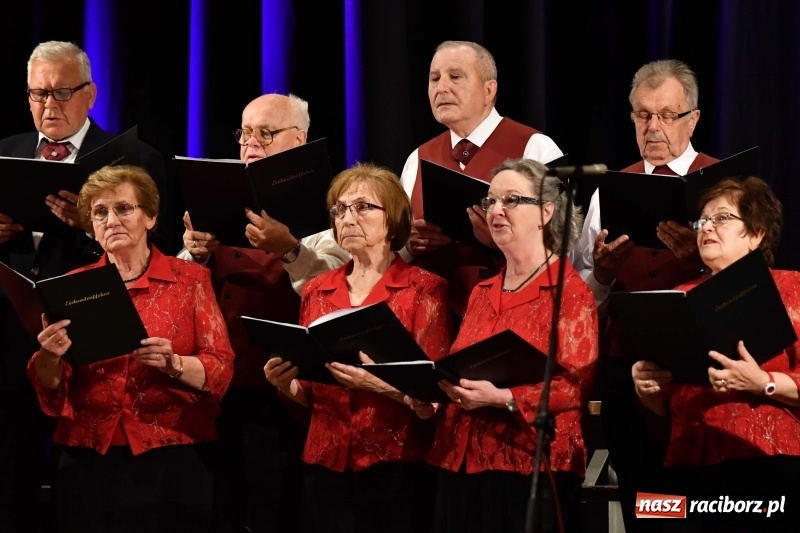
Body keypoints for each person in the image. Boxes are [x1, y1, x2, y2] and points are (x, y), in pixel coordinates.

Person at [0, 40, 169, 531]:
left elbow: (156, 250)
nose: (48, 105)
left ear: (91, 95)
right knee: (12, 488)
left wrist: (88, 225)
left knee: (90, 494)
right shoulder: (5, 153)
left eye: (61, 92)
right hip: (12, 344)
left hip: (95, 340)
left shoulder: (134, 158)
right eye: (37, 95)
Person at [26, 164, 234, 532]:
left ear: (150, 217)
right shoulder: (72, 287)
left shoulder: (191, 280)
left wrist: (174, 364)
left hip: (172, 457)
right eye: (100, 212)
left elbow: (220, 367)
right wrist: (49, 357)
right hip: (88, 461)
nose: (111, 220)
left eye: (124, 208)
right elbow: (51, 385)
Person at [178, 93, 349, 532]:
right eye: (244, 132)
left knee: (275, 509)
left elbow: (337, 286)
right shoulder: (218, 194)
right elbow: (177, 287)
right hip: (217, 387)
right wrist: (195, 254)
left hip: (281, 391)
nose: (251, 142)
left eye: (265, 133)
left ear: (300, 140)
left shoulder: (330, 206)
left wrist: (290, 249)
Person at [410, 159, 597, 532]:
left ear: (545, 212)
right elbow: (463, 369)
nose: (495, 210)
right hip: (460, 460)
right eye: (490, 200)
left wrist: (505, 398)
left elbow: (574, 386)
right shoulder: (482, 291)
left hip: (527, 465)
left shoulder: (569, 292)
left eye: (511, 200)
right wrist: (432, 396)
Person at [571, 59, 719, 531]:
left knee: (699, 504)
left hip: (702, 370)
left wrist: (698, 259)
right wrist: (604, 274)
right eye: (642, 115)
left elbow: (753, 279)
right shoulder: (610, 189)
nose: (653, 127)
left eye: (666, 115)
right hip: (625, 366)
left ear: (692, 119)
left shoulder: (723, 184)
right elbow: (584, 294)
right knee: (644, 504)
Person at [264, 162, 452, 532]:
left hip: (395, 464)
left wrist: (373, 383)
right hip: (325, 462)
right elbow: (315, 393)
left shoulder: (424, 289)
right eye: (340, 209)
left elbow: (435, 396)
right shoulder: (318, 290)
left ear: (393, 219)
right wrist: (286, 384)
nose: (348, 217)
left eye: (363, 207)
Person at [633, 176, 800, 531]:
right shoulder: (678, 296)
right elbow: (665, 406)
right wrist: (647, 387)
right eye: (702, 220)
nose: (706, 227)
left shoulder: (790, 288)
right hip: (687, 463)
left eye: (722, 218)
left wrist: (763, 382)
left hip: (766, 463)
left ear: (757, 235)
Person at [399, 40, 563, 319]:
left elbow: (564, 243)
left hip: (512, 313)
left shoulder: (536, 148)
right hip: (429, 317)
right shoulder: (417, 158)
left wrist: (500, 241)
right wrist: (410, 244)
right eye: (434, 79)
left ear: (489, 90)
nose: (442, 88)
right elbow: (394, 250)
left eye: (456, 77)